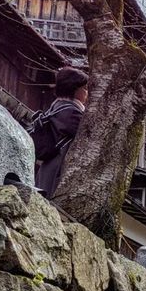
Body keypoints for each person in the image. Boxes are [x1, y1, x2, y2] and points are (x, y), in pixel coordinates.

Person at [29, 66, 89, 197]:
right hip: (59, 166)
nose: (86, 92)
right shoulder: (71, 112)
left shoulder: (57, 106)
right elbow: (87, 134)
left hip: (50, 164)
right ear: (74, 89)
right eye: (84, 88)